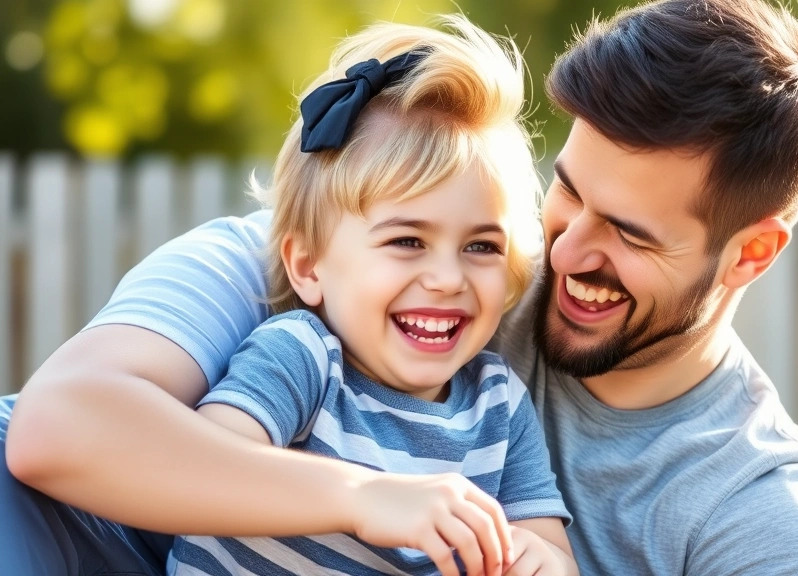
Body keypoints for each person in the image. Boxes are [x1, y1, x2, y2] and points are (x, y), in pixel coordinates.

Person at [2, 0, 798, 575]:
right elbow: (55, 429)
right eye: (567, 192)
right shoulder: (371, 278)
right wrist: (362, 498)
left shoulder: (766, 520)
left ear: (751, 254)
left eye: (631, 234)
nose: (565, 253)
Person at [162, 17, 574, 576]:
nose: (448, 278)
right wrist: (362, 497)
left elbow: (552, 552)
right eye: (407, 240)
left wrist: (536, 558)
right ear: (308, 266)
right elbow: (198, 470)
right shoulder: (304, 358)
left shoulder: (498, 406)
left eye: (480, 246)